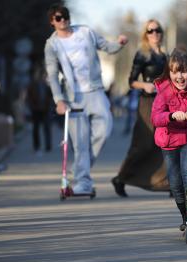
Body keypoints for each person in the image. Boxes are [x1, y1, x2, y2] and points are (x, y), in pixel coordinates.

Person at [44, 3, 128, 194]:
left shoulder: (85, 32)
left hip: (96, 91)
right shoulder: (52, 45)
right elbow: (52, 74)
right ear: (52, 22)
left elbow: (107, 46)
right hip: (73, 97)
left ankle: (80, 169)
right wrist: (59, 100)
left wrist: (120, 43)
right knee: (80, 142)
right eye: (58, 18)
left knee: (105, 129)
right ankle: (83, 182)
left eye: (65, 16)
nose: (63, 20)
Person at [151, 49, 187, 231]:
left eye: (184, 71)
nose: (180, 76)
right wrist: (170, 116)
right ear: (169, 73)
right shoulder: (164, 92)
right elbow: (155, 117)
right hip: (168, 139)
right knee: (175, 180)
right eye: (175, 72)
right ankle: (185, 216)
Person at [111, 19, 169, 197]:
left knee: (165, 142)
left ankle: (167, 183)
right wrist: (145, 86)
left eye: (157, 30)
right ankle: (121, 178)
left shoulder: (165, 54)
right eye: (150, 31)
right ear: (146, 34)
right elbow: (131, 81)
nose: (154, 33)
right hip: (147, 103)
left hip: (164, 102)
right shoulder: (142, 54)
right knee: (143, 144)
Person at [26, 68, 53, 155]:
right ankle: (36, 146)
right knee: (36, 129)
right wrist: (32, 106)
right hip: (36, 110)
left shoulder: (47, 86)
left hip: (45, 109)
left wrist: (49, 106)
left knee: (47, 128)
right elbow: (28, 98)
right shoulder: (32, 86)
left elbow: (50, 97)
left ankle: (48, 146)